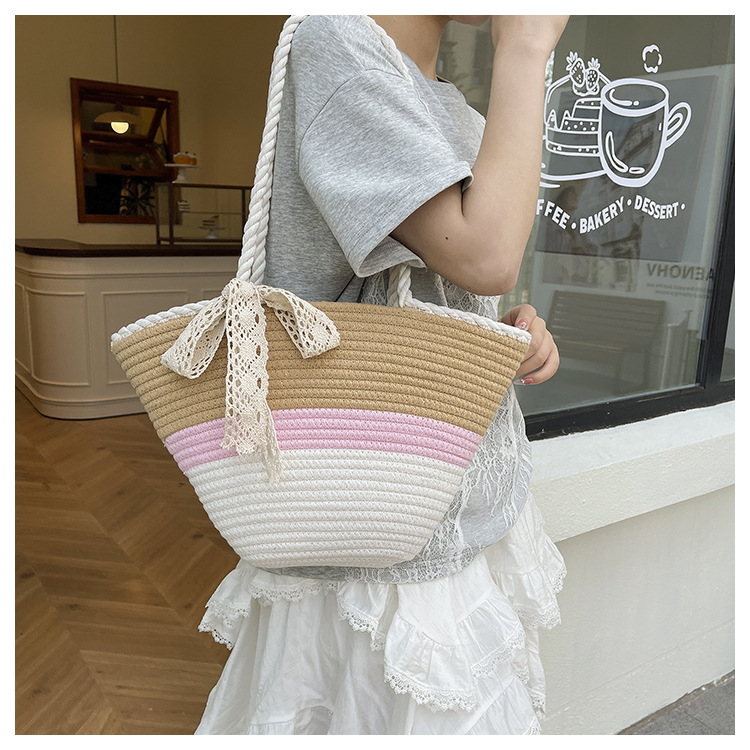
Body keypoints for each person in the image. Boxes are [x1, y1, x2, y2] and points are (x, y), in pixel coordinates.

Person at [195, 14, 569, 735]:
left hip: (458, 498)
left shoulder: (449, 103)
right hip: (377, 523)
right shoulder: (335, 38)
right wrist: (525, 48)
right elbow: (486, 253)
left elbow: (460, 281)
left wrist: (509, 331)